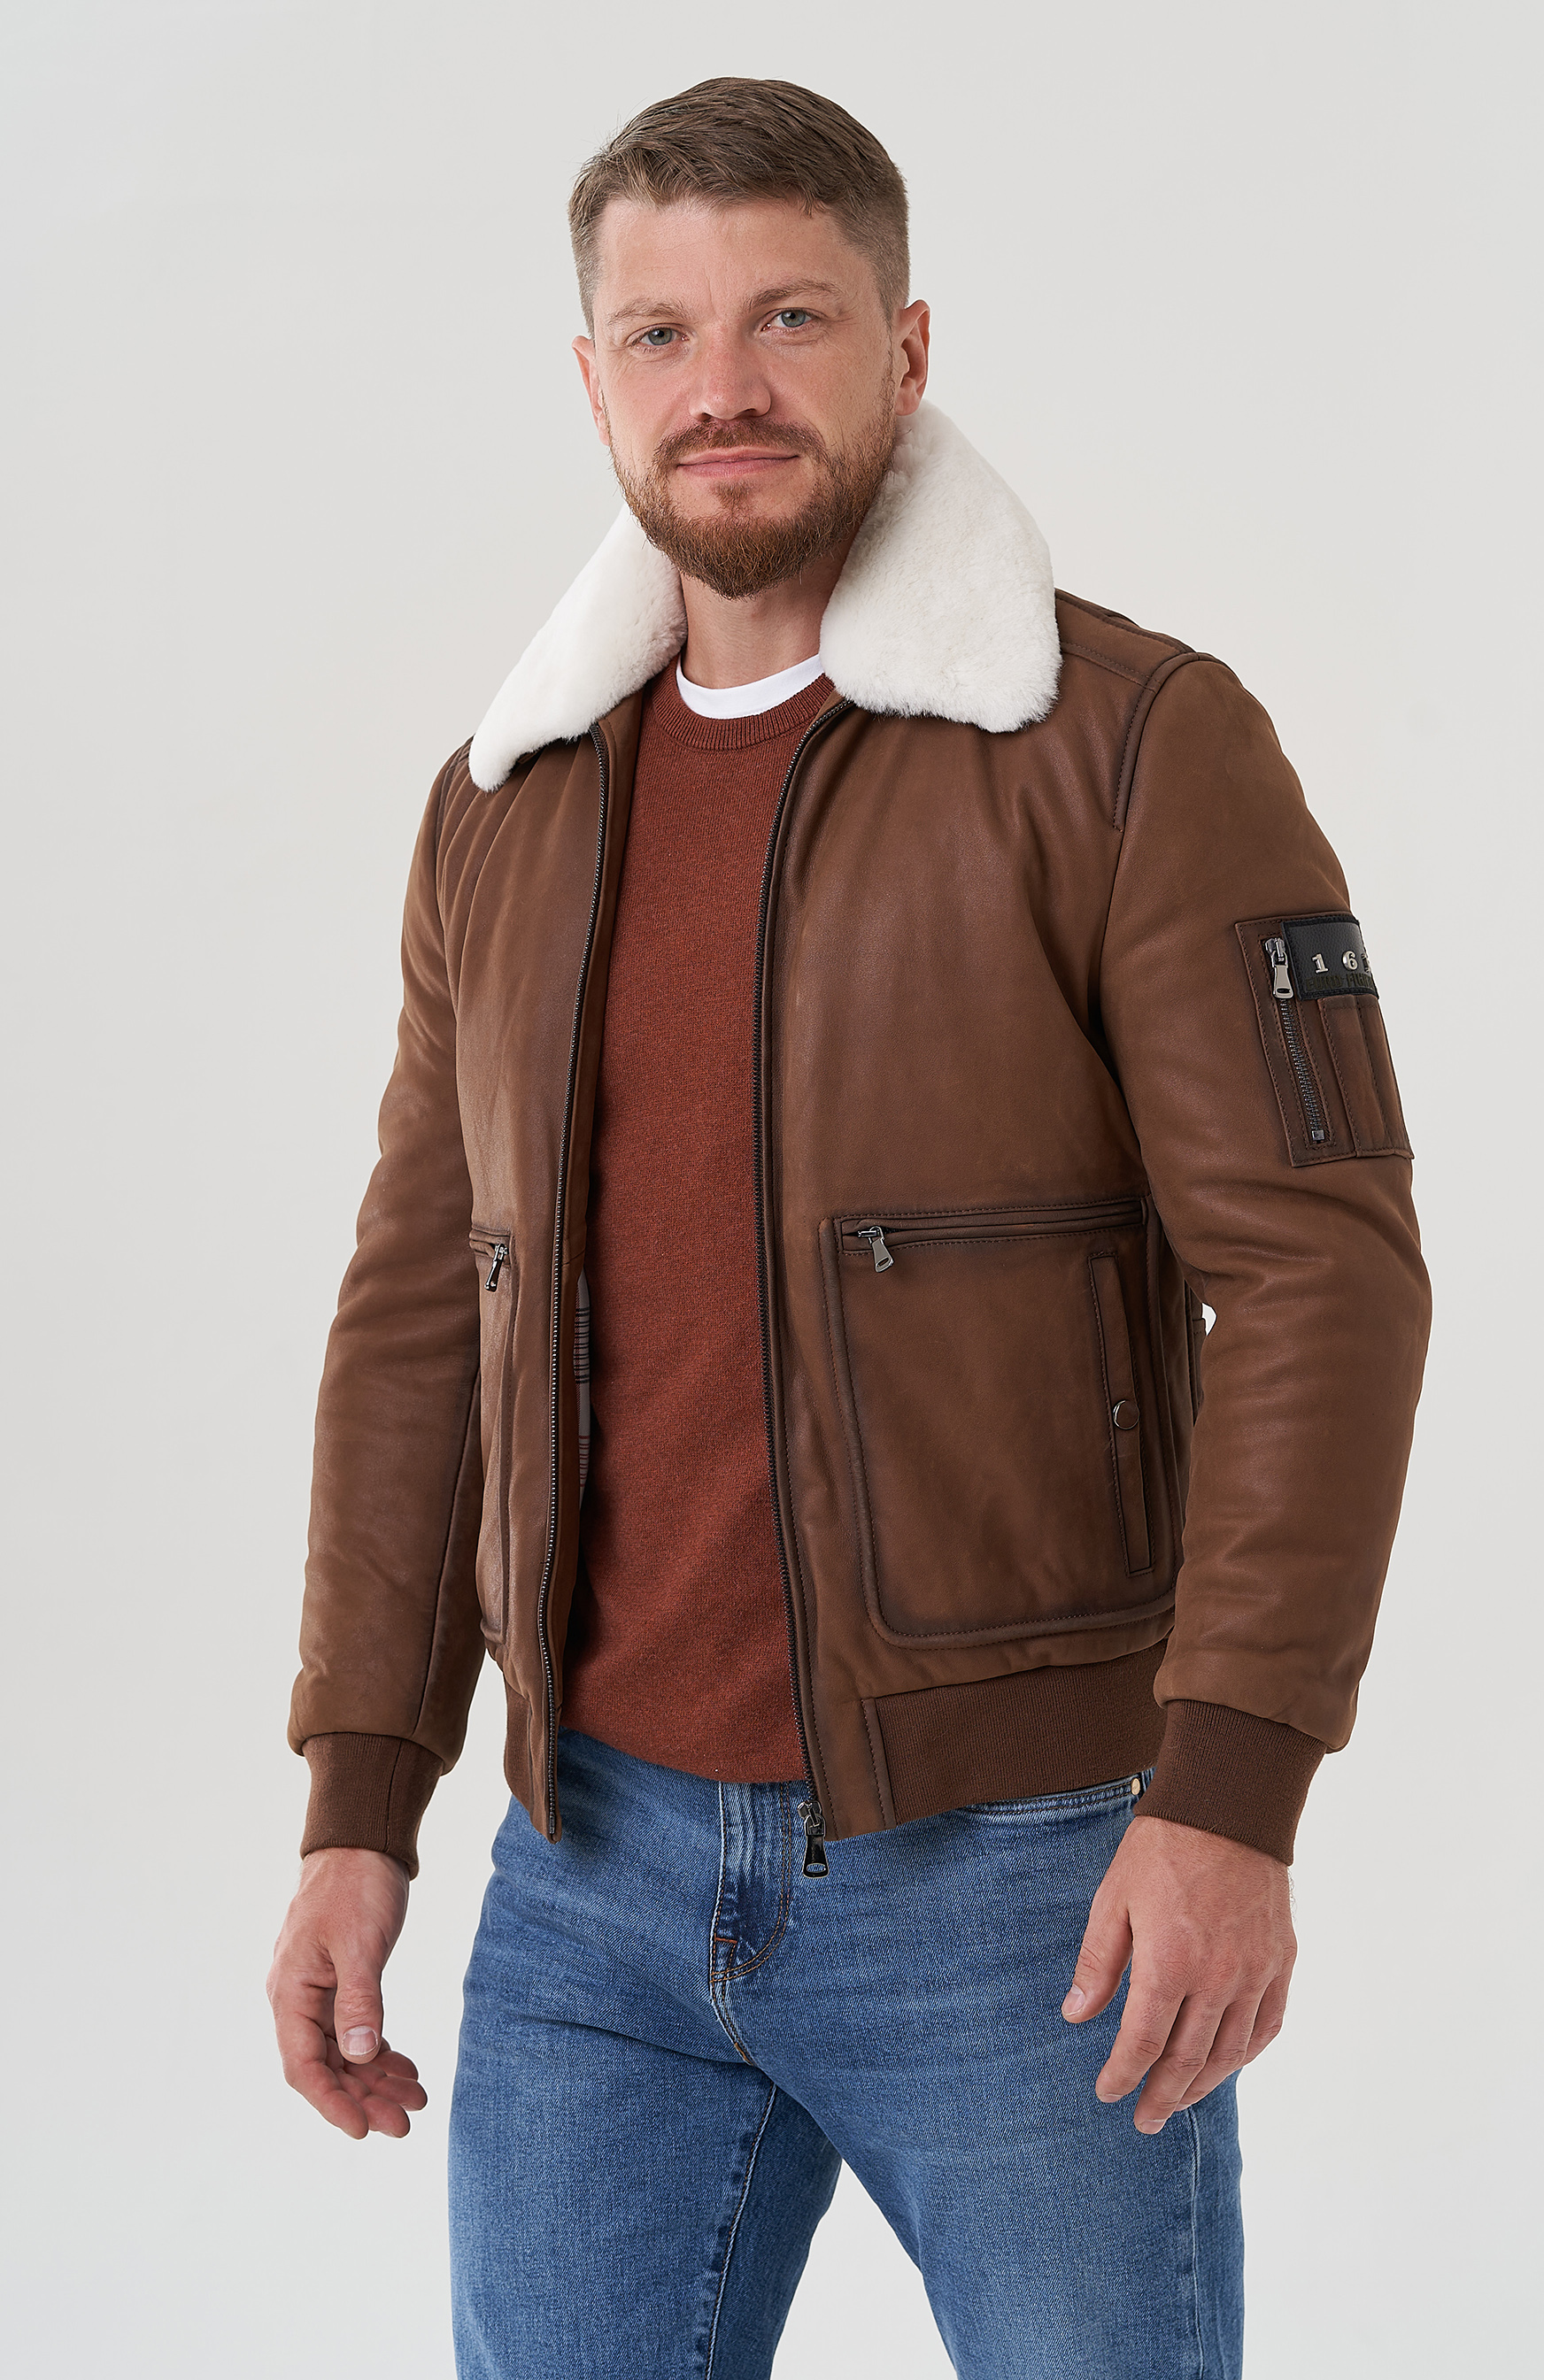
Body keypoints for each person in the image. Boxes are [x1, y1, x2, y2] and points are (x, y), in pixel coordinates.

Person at [266, 77, 1431, 2380]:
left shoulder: (1130, 743)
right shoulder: (504, 809)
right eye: (663, 331)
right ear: (592, 377)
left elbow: (1323, 1276)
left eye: (789, 317)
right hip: (586, 1883)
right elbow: (417, 1313)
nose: (724, 385)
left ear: (905, 347)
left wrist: (1231, 1793)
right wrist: (358, 1792)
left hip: (1025, 1880)